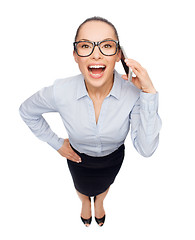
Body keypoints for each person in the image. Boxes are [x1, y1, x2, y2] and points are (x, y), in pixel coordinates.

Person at [19, 16, 162, 227]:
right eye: (86, 46)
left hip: (113, 159)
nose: (96, 54)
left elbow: (146, 148)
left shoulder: (134, 94)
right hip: (77, 158)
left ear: (118, 55)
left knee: (105, 185)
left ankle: (100, 202)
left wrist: (149, 93)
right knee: (81, 186)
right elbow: (27, 111)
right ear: (76, 55)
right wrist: (56, 143)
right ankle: (85, 203)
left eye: (106, 45)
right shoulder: (60, 91)